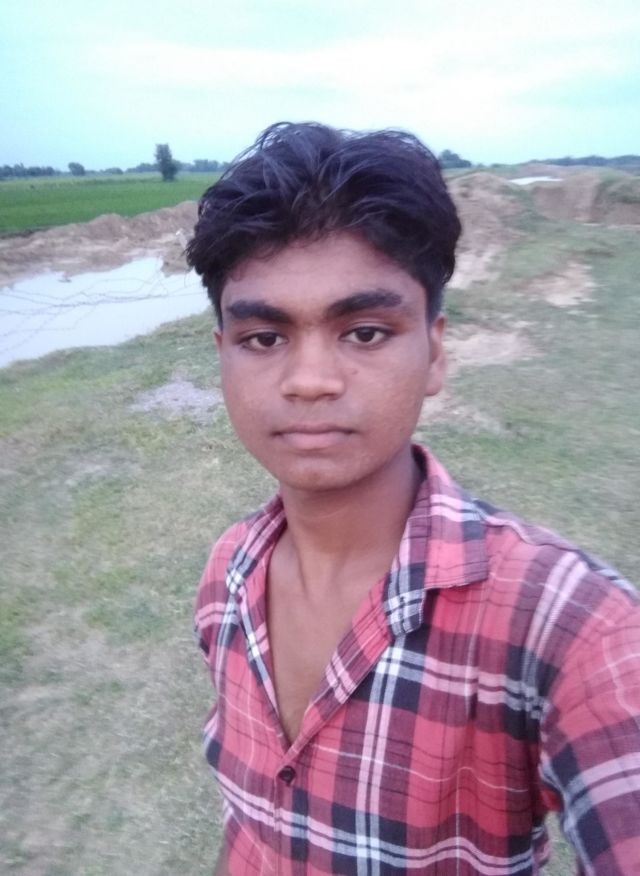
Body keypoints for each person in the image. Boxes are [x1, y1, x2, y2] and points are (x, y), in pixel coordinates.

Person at [186, 122, 640, 875]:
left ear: (434, 351)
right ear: (224, 356)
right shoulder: (227, 576)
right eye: (264, 338)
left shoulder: (576, 630)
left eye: (364, 332)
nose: (309, 380)